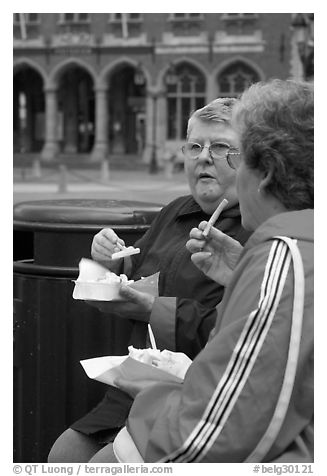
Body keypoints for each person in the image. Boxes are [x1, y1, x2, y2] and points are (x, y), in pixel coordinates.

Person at [103, 79, 314, 463]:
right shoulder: (287, 254)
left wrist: (148, 396)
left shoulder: (286, 261)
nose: (207, 159)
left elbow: (207, 438)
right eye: (196, 147)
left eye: (232, 154)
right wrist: (239, 279)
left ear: (263, 171)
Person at [48, 97, 250, 462]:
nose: (204, 157)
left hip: (198, 397)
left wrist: (153, 309)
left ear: (247, 158)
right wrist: (110, 261)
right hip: (134, 387)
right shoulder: (174, 212)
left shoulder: (253, 228)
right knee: (63, 454)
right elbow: (137, 276)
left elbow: (238, 329)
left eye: (220, 146)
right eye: (195, 146)